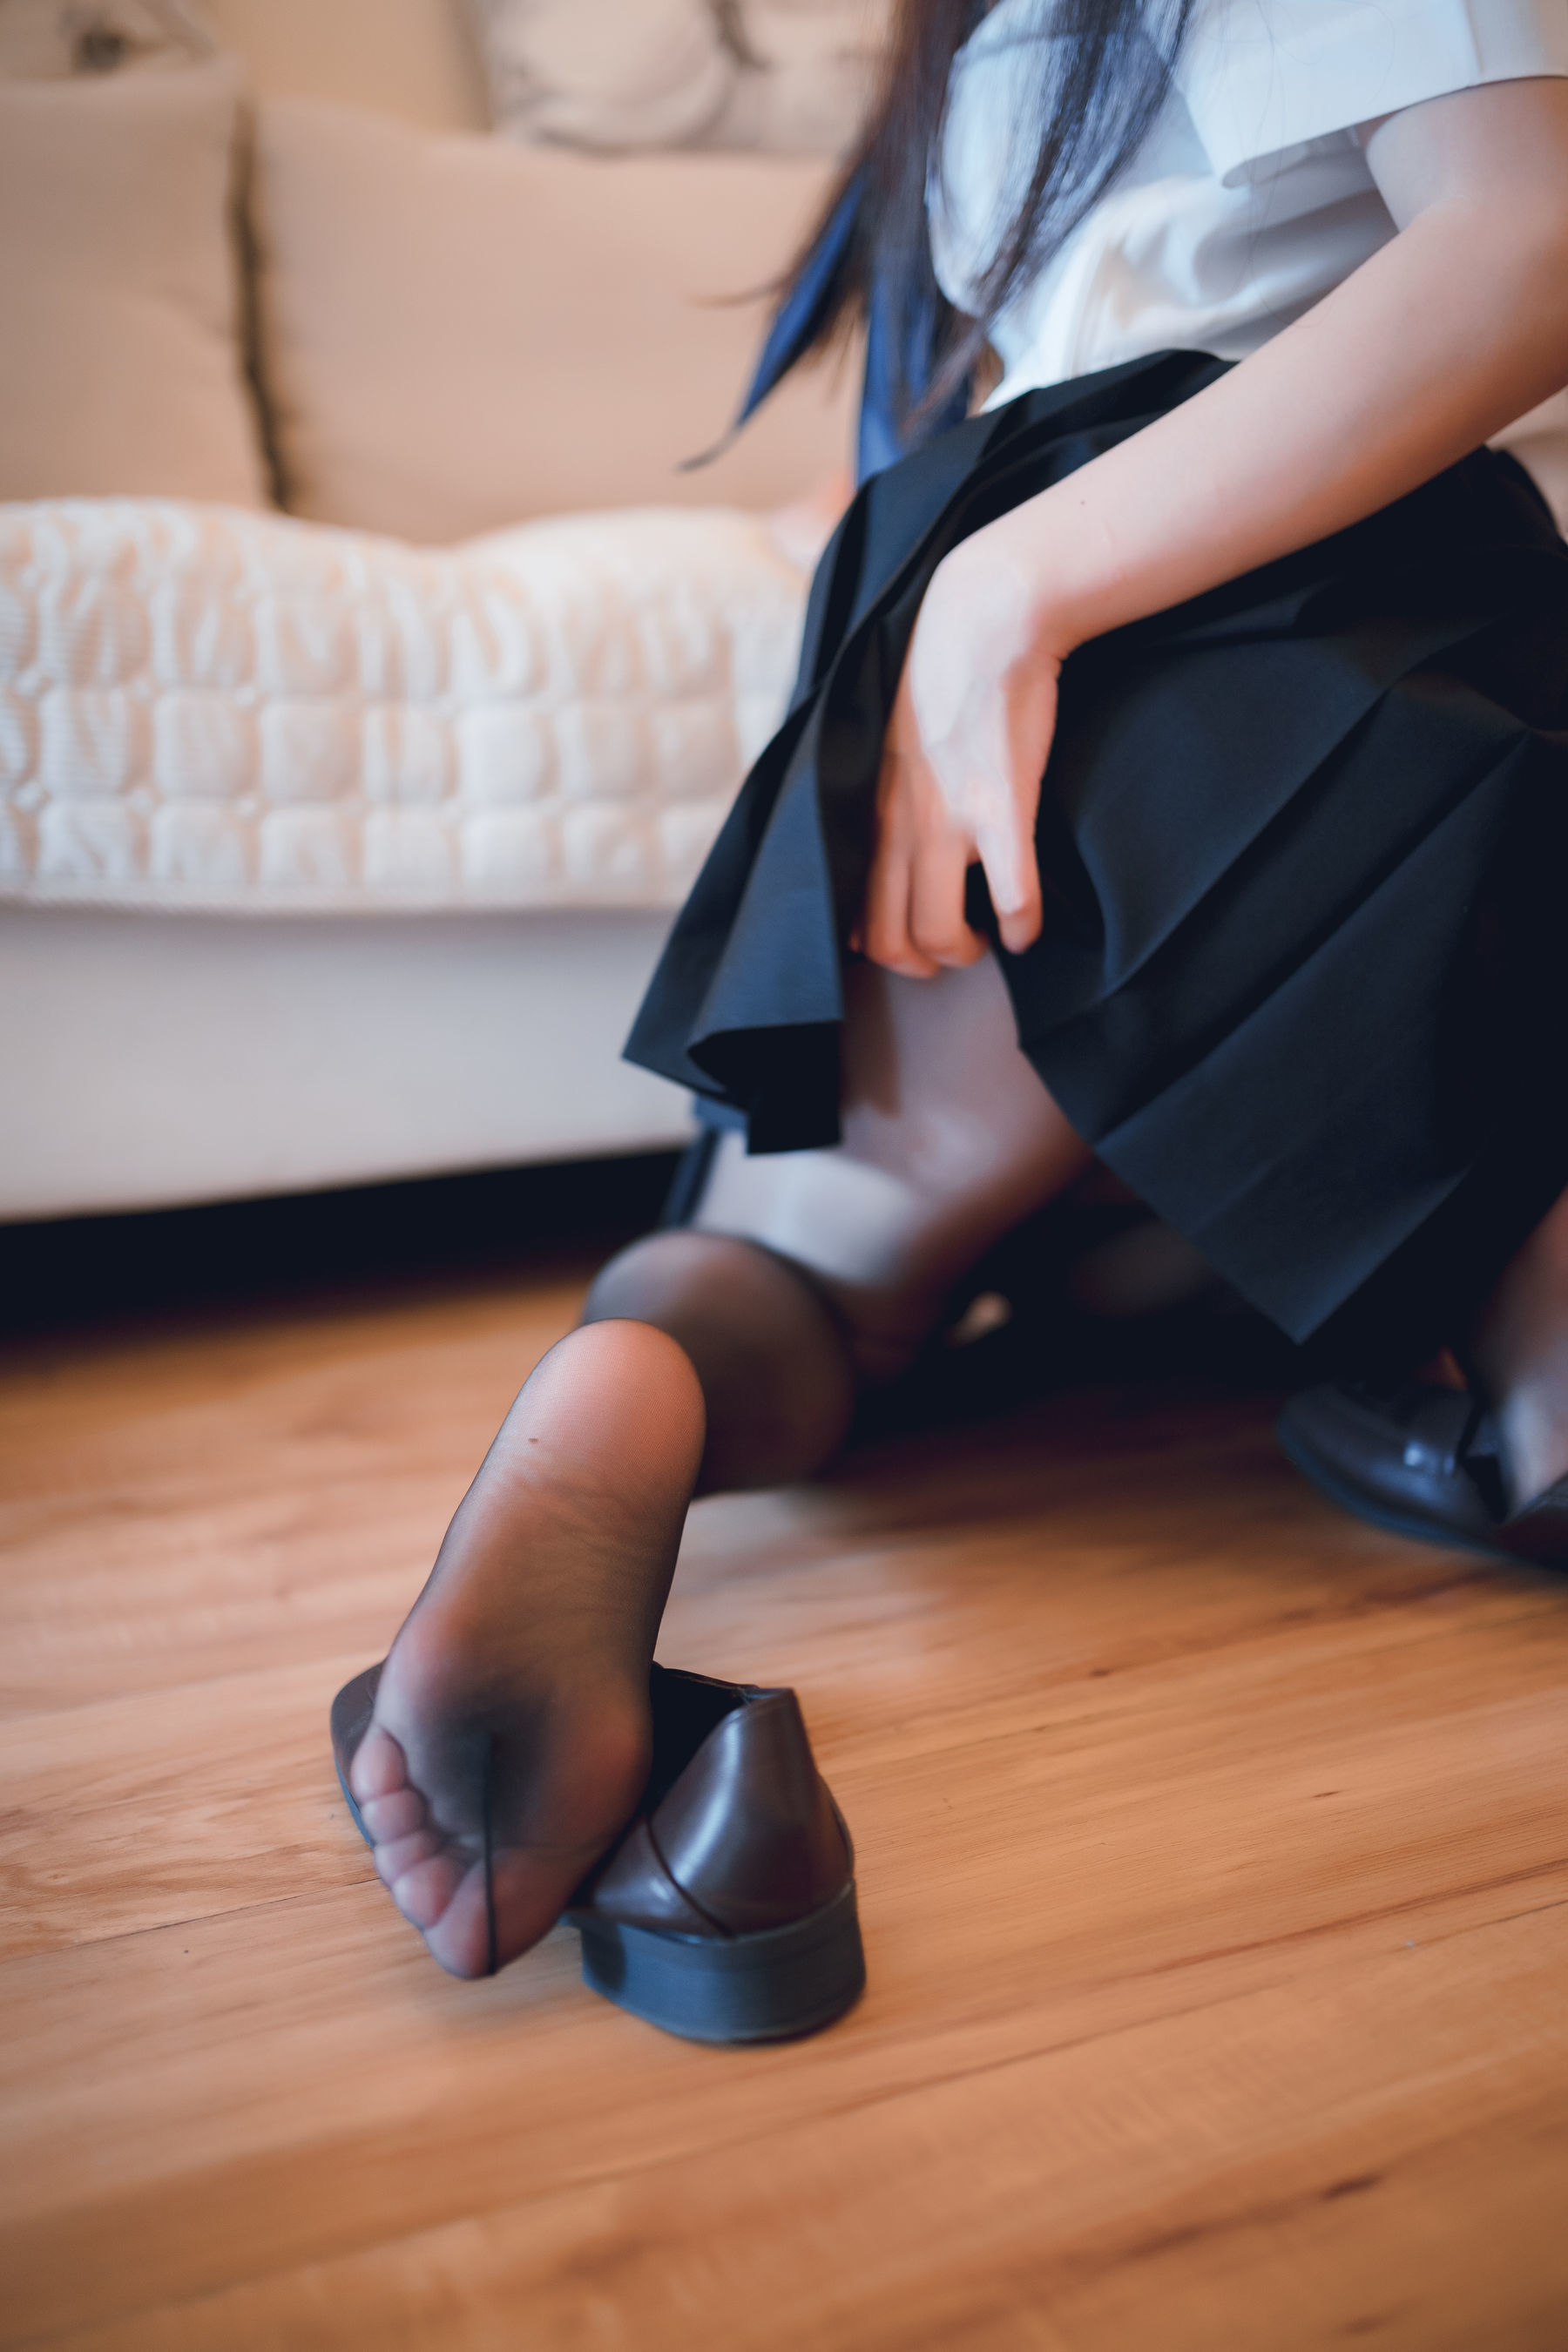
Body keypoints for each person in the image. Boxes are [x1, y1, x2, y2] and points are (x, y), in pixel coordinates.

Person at [345, 0, 1568, 1980]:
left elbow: (1528, 236)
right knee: (1392, 1232)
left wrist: (997, 591)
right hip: (1322, 657)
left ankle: (651, 1379)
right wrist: (1014, 596)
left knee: (810, 1284)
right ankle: (1508, 1383)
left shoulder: (991, 41)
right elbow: (1519, 221)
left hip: (1024, 634)